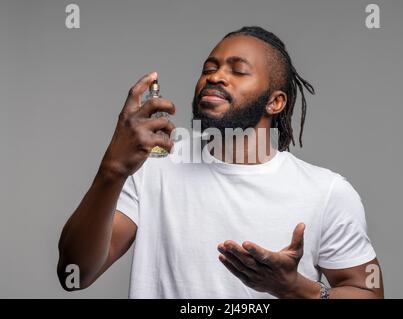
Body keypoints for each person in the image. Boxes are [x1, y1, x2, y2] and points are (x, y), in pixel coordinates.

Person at [57, 26, 384, 299]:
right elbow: (75, 274)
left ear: (275, 101)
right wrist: (111, 169)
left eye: (238, 70)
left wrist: (294, 287)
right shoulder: (155, 166)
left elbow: (368, 291)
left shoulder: (326, 191)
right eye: (209, 68)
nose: (216, 77)